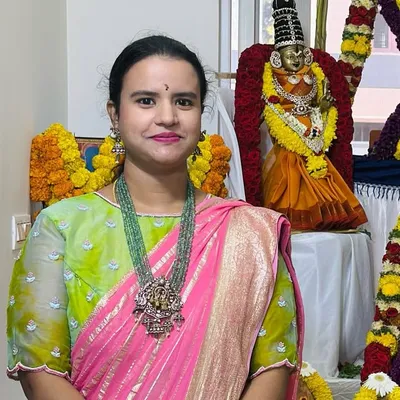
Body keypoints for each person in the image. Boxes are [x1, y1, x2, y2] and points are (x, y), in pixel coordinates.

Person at [7, 35, 304, 399]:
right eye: (146, 100)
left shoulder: (252, 234)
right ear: (115, 114)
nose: (167, 117)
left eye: (184, 101)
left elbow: (273, 366)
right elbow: (41, 371)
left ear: (200, 114)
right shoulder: (61, 227)